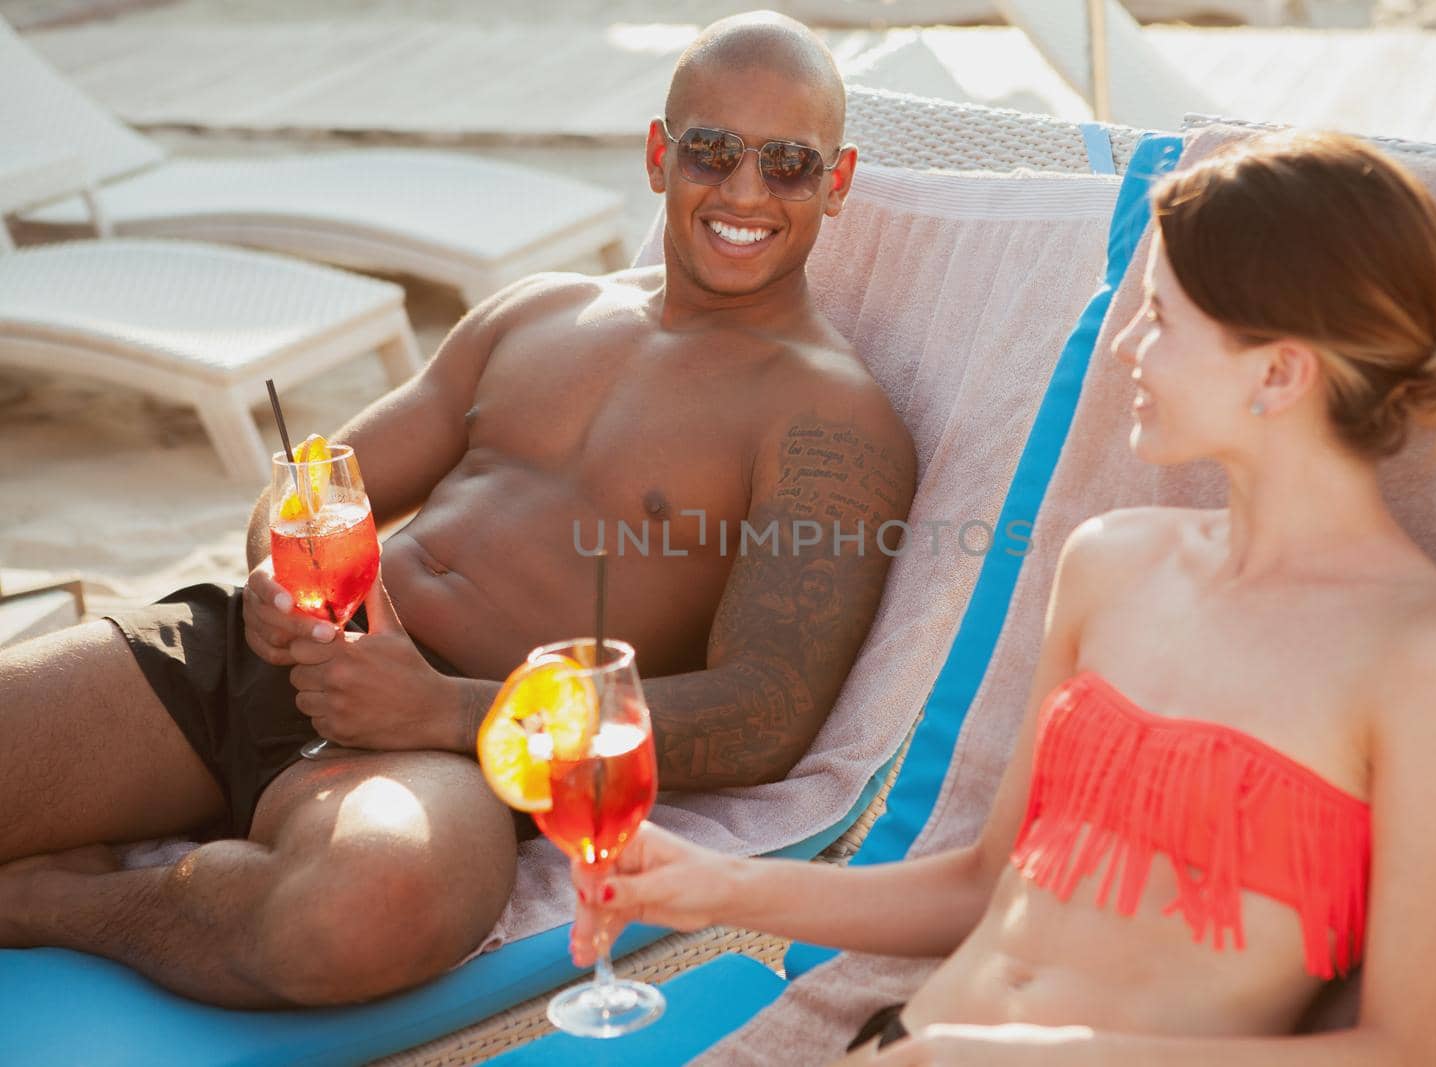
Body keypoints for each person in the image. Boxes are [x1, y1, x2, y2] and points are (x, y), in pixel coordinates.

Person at [0, 11, 915, 1009]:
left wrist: (441, 707)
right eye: (711, 149)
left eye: (787, 162)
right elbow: (319, 476)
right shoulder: (538, 311)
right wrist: (276, 571)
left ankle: (51, 902)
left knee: (361, 912)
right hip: (278, 648)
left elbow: (767, 711)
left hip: (450, 743)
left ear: (836, 181)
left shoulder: (831, 420)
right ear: (660, 156)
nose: (745, 191)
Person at [573, 130, 1436, 1066]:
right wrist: (713, 885)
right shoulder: (1111, 561)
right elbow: (987, 882)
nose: (1127, 348)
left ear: (1277, 371)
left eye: (1161, 317)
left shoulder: (1435, 660)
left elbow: (1411, 1046)